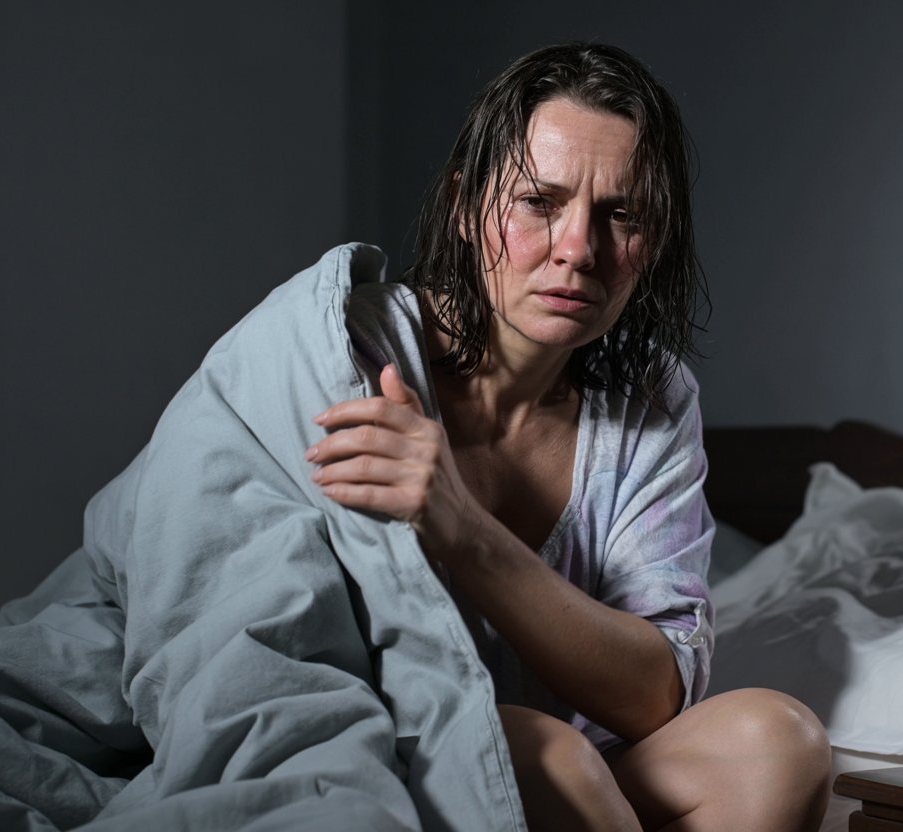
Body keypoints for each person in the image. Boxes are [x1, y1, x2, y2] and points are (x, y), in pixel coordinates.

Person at [309, 42, 831, 831]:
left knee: (776, 743)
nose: (578, 250)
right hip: (372, 747)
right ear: (464, 204)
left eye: (622, 214)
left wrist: (462, 528)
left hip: (569, 759)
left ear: (651, 241)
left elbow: (657, 693)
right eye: (538, 202)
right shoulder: (348, 352)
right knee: (539, 748)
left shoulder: (650, 398)